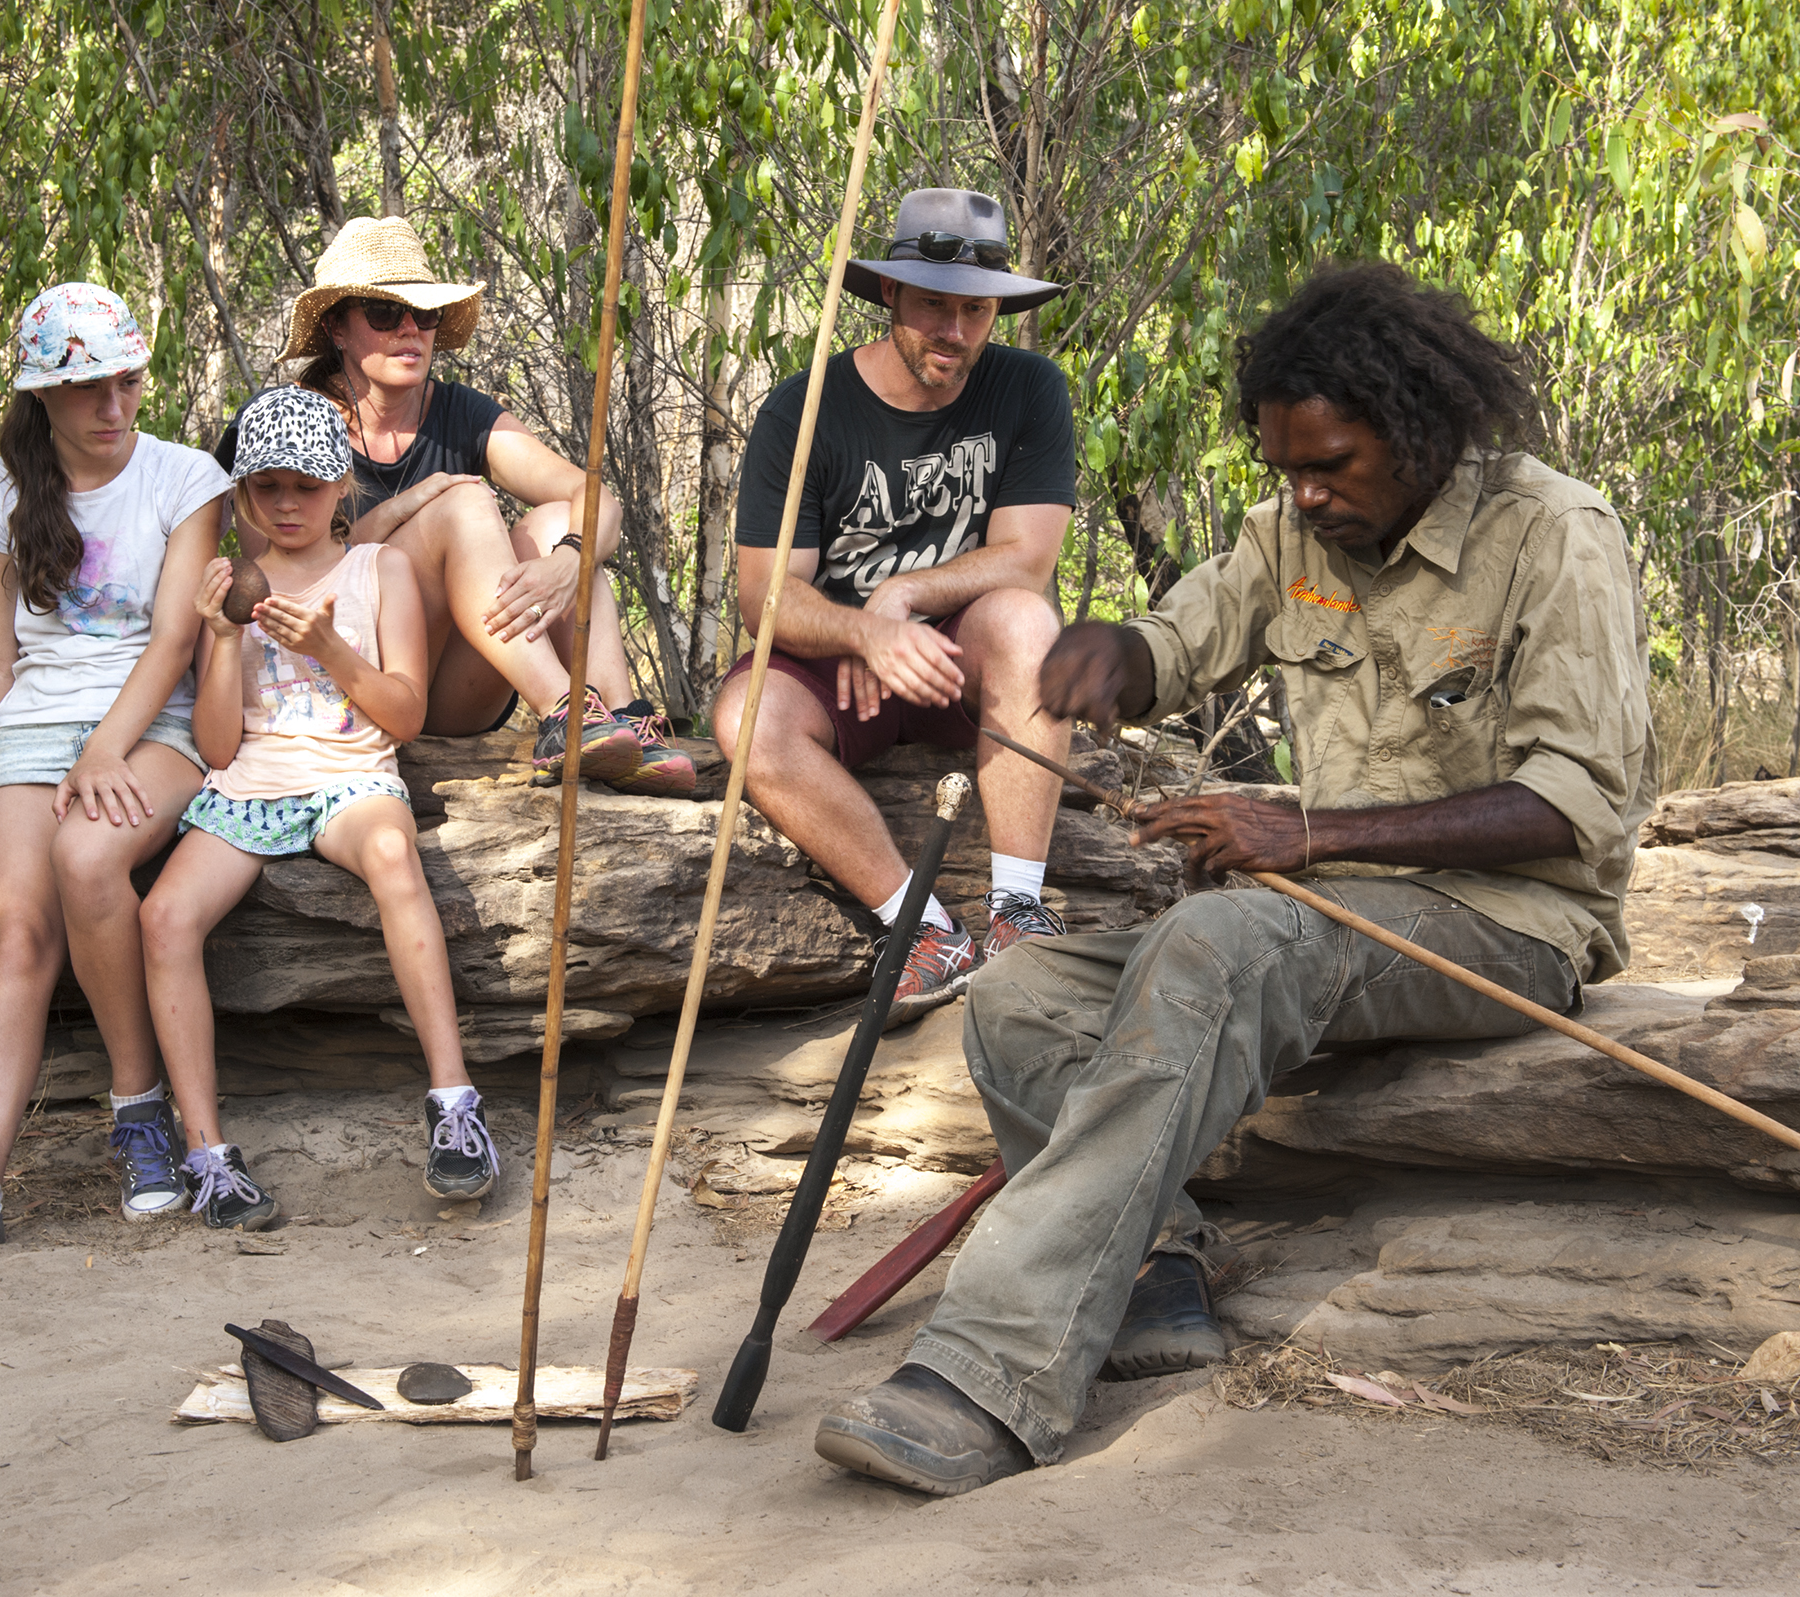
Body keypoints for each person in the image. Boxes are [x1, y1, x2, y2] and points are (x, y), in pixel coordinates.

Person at [813, 262, 1658, 1494]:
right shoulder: (1288, 533)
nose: (1304, 495)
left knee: (1218, 938)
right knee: (1020, 991)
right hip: (1333, 918)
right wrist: (1109, 656)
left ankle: (989, 1373)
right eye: (1285, 471)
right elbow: (1178, 637)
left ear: (1415, 432)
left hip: (1513, 923)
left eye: (1331, 466)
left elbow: (1570, 809)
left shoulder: (1555, 536)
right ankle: (1157, 1267)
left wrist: (1309, 834)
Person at [0, 283, 229, 1275]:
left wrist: (109, 744)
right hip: (33, 728)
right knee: (15, 929)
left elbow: (177, 634)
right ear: (41, 397)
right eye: (88, 389)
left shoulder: (184, 476)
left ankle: (136, 1108)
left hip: (157, 721)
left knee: (87, 856)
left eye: (127, 381)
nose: (114, 407)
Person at [713, 188, 1078, 1026]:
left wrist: (906, 594)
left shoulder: (1028, 390)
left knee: (1031, 622)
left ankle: (1018, 912)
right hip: (835, 661)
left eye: (977, 311)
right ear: (889, 296)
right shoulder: (806, 410)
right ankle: (922, 928)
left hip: (961, 651)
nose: (956, 333)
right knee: (745, 716)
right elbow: (761, 596)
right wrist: (865, 632)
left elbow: (1027, 561)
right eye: (934, 307)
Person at [143, 388, 494, 1228]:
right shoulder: (224, 586)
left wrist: (329, 646)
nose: (287, 504)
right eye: (267, 488)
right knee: (162, 916)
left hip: (348, 773)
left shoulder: (381, 571)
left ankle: (454, 1103)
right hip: (254, 783)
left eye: (306, 484)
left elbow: (404, 715)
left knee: (391, 858)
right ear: (242, 496)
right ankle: (207, 1151)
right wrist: (226, 640)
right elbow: (220, 748)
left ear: (343, 483)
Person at [219, 216, 691, 796]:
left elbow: (598, 500)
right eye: (386, 314)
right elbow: (273, 575)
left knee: (559, 523)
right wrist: (412, 503)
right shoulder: (283, 424)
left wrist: (570, 556)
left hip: (455, 685)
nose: (410, 330)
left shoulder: (462, 412)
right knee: (464, 503)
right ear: (338, 328)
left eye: (426, 314)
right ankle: (563, 710)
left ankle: (624, 724)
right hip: (348, 679)